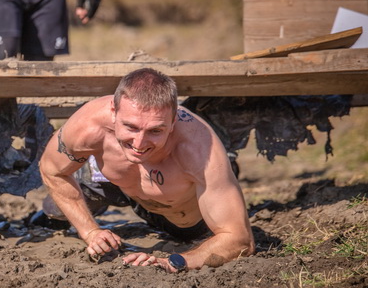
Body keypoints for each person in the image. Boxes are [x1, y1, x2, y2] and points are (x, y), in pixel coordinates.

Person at [39, 68, 255, 272]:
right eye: (131, 127)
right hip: (119, 184)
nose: (139, 144)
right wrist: (90, 232)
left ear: (173, 122)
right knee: (54, 210)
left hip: (180, 218)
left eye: (155, 131)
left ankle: (229, 168)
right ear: (114, 112)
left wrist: (174, 262)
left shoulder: (199, 149)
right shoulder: (89, 124)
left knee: (202, 230)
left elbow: (240, 240)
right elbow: (52, 170)